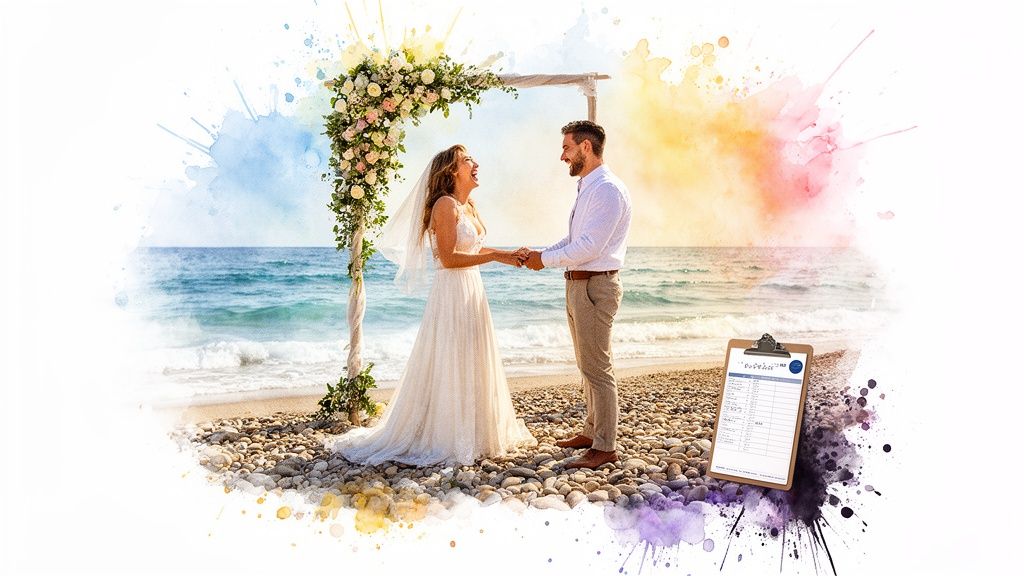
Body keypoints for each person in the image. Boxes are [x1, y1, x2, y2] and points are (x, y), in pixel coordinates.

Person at [326, 145, 536, 467]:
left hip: (472, 289)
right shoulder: (444, 205)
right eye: (468, 160)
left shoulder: (468, 206)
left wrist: (507, 256)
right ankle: (448, 434)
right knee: (453, 358)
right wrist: (496, 257)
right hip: (452, 291)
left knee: (473, 354)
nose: (476, 164)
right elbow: (450, 258)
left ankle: (478, 432)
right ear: (453, 170)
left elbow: (473, 247)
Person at [523, 121, 632, 470]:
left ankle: (605, 446)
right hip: (578, 284)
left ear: (586, 147)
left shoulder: (608, 190)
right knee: (587, 365)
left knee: (598, 368)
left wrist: (545, 260)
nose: (562, 155)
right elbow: (573, 241)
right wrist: (539, 253)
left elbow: (589, 247)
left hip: (595, 285)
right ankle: (591, 430)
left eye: (567, 148)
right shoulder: (589, 187)